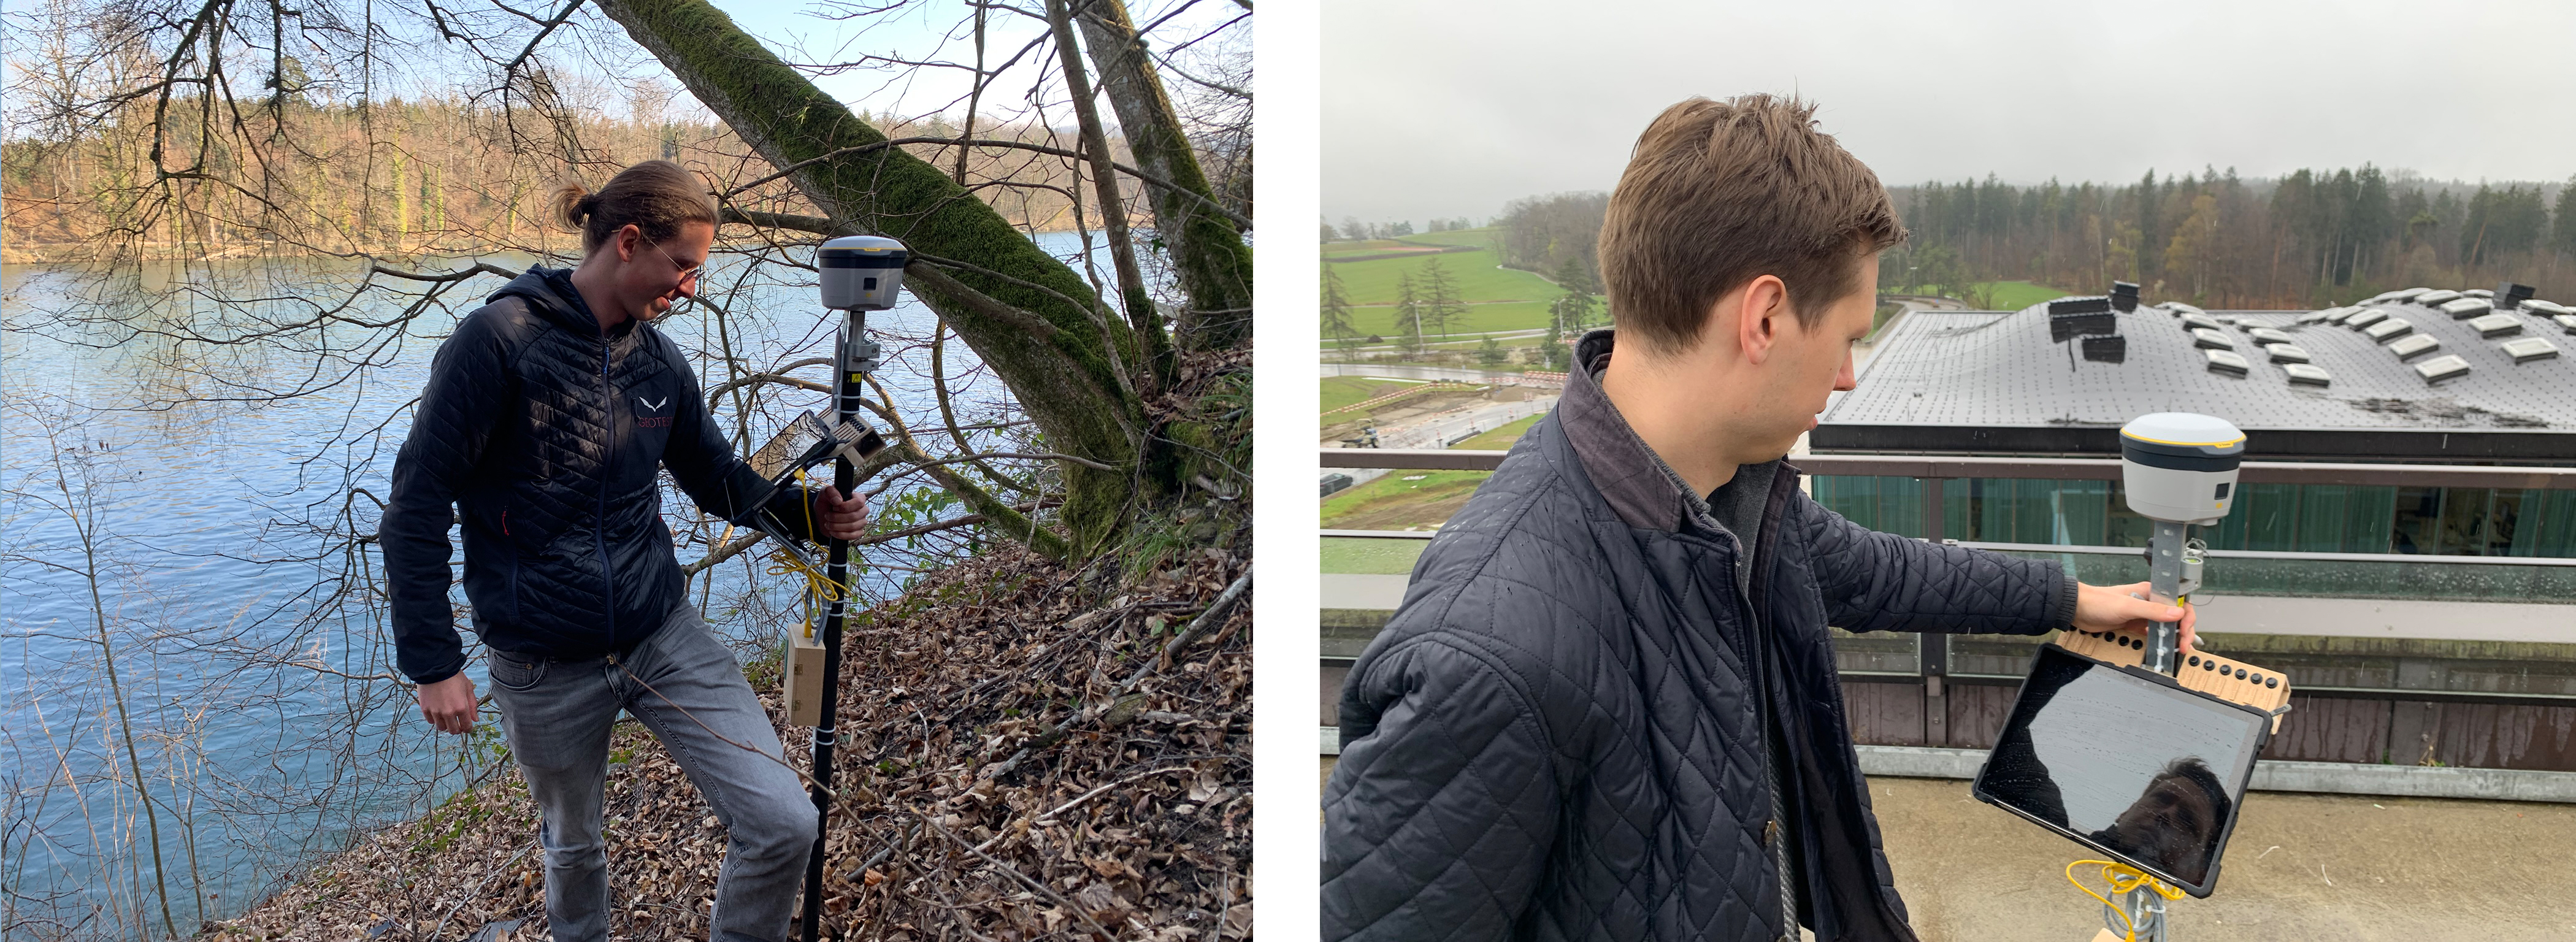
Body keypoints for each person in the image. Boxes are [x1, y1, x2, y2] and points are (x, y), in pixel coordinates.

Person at [1320, 95, 2200, 942]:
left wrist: (2076, 599)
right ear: (1766, 317)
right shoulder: (1492, 661)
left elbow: (1880, 572)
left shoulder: (1729, 496)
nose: (1851, 374)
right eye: (1850, 335)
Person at [379, 159, 869, 942]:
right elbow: (415, 506)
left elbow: (717, 479)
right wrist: (434, 663)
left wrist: (809, 513)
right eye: (682, 267)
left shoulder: (658, 363)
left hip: (660, 633)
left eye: (697, 273)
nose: (688, 289)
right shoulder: (499, 342)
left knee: (784, 821)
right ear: (629, 242)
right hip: (543, 663)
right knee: (573, 850)